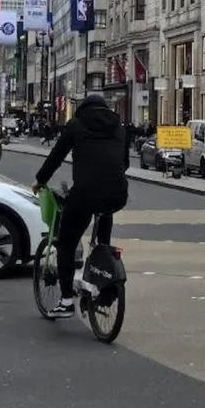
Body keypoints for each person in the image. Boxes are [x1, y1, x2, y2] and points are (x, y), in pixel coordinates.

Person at [33, 94, 129, 319]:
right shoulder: (119, 127)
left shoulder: (76, 125)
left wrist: (40, 180)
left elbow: (57, 156)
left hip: (86, 193)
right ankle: (105, 269)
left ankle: (66, 301)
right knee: (104, 232)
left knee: (66, 243)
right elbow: (124, 162)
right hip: (116, 193)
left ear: (83, 109)